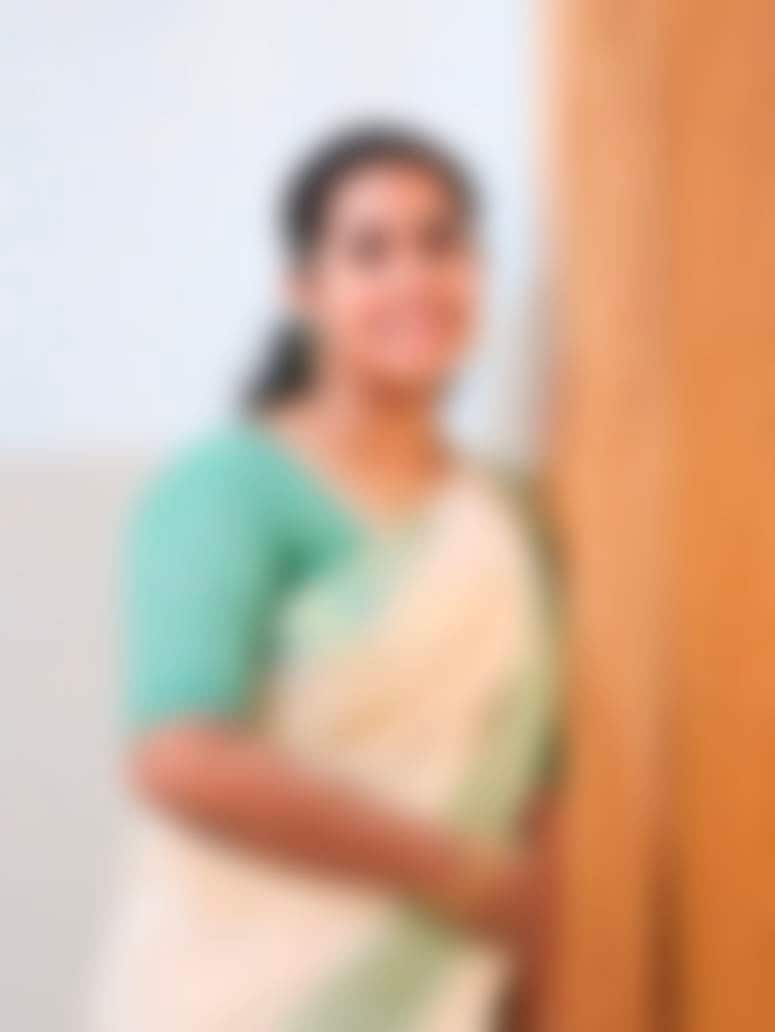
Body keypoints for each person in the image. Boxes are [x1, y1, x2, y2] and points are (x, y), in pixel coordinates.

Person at [93, 125, 560, 1031]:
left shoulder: (510, 519)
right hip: (233, 990)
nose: (413, 279)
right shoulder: (228, 488)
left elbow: (540, 773)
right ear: (304, 290)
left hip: (437, 992)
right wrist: (461, 877)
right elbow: (179, 757)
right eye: (370, 251)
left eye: (440, 243)